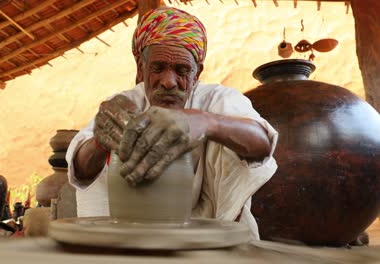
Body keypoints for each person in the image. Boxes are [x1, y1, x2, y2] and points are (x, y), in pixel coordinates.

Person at [65, 6, 278, 239]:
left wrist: (208, 123)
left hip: (210, 239)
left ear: (197, 74)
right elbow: (81, 170)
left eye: (182, 70)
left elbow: (262, 146)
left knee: (228, 131)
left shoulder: (217, 99)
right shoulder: (124, 104)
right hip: (132, 238)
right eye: (157, 68)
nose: (168, 81)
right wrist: (100, 142)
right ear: (141, 68)